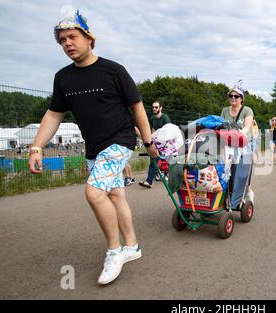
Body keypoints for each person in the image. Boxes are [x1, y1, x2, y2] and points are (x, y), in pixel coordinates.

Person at [27, 10, 158, 285]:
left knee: (94, 193)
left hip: (120, 141)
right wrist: (36, 147)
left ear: (89, 38)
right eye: (62, 40)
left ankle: (114, 251)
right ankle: (132, 246)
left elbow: (137, 107)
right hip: (94, 148)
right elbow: (54, 114)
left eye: (73, 37)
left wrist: (148, 142)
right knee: (114, 196)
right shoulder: (63, 78)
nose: (67, 44)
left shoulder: (114, 71)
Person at [221, 81, 254, 203]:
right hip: (229, 144)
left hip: (244, 143)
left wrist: (240, 133)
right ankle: (228, 197)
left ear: (241, 99)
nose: (233, 98)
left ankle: (246, 194)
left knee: (241, 173)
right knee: (227, 171)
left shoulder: (247, 110)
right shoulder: (225, 111)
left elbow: (248, 125)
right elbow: (221, 126)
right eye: (231, 96)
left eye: (236, 96)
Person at [138, 100, 171, 188]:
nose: (154, 108)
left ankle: (149, 181)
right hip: (155, 141)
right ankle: (152, 178)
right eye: (153, 107)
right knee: (153, 161)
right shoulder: (152, 118)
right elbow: (152, 130)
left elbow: (168, 131)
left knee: (155, 161)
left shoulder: (165, 118)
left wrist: (166, 144)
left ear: (160, 108)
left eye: (156, 107)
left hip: (164, 142)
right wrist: (150, 141)